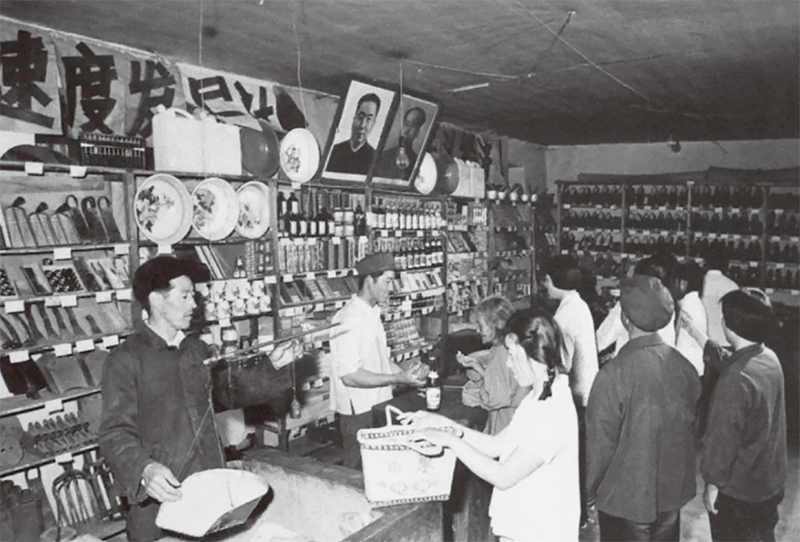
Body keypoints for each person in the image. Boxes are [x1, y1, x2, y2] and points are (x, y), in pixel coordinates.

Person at [401, 308, 579, 542]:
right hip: (526, 526)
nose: (508, 363)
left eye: (511, 354)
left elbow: (503, 476)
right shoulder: (538, 395)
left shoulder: (551, 411)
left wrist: (449, 440)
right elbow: (496, 445)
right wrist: (444, 424)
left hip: (539, 533)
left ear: (528, 352)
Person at [99, 256, 223, 542]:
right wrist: (145, 469)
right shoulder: (125, 359)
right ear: (156, 300)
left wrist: (274, 366)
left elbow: (225, 394)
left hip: (208, 487)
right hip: (159, 500)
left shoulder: (196, 349)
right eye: (185, 296)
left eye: (193, 296)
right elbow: (114, 433)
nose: (194, 304)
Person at [586, 275, 701, 542]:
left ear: (625, 319)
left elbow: (599, 446)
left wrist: (589, 492)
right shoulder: (685, 368)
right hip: (670, 495)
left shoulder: (613, 374)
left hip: (623, 499)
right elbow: (690, 433)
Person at [680, 288, 787, 542]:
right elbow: (732, 361)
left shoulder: (735, 380)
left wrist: (712, 484)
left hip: (738, 493)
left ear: (728, 325)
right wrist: (696, 333)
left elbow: (722, 441)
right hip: (767, 486)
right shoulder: (768, 358)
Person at [329, 252, 426, 469]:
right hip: (359, 412)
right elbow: (350, 377)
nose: (391, 288)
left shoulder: (372, 313)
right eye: (387, 281)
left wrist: (407, 376)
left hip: (379, 403)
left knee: (380, 468)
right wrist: (398, 378)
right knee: (358, 472)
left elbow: (381, 359)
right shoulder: (347, 319)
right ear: (369, 280)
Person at [540, 254, 597, 527]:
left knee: (573, 459)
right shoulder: (578, 303)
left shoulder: (564, 316)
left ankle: (578, 516)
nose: (544, 285)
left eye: (546, 279)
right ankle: (583, 511)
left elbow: (562, 363)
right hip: (587, 390)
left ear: (555, 280)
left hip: (577, 394)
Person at [456, 296, 530, 434]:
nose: (478, 330)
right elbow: (503, 384)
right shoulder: (511, 346)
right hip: (519, 421)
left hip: (505, 425)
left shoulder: (500, 352)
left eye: (481, 326)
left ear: (496, 324)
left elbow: (495, 399)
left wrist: (482, 392)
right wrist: (479, 367)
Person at [596, 252, 679, 356]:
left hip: (630, 362)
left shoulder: (629, 302)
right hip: (661, 362)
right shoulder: (669, 307)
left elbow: (601, 340)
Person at [326, 93, 381, 175]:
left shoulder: (374, 159)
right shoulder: (335, 151)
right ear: (354, 118)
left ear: (373, 123)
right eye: (360, 117)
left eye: (369, 119)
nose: (362, 125)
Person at [373, 107, 427, 181]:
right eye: (406, 124)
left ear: (418, 132)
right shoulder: (384, 156)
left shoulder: (418, 163)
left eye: (413, 126)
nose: (406, 130)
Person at [674, 261, 708, 376]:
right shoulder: (694, 303)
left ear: (683, 284)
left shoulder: (687, 306)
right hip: (693, 367)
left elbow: (681, 343)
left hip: (687, 368)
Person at [701, 249, 738, 348]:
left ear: (706, 263)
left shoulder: (698, 284)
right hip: (725, 342)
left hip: (702, 342)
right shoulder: (732, 286)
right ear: (726, 264)